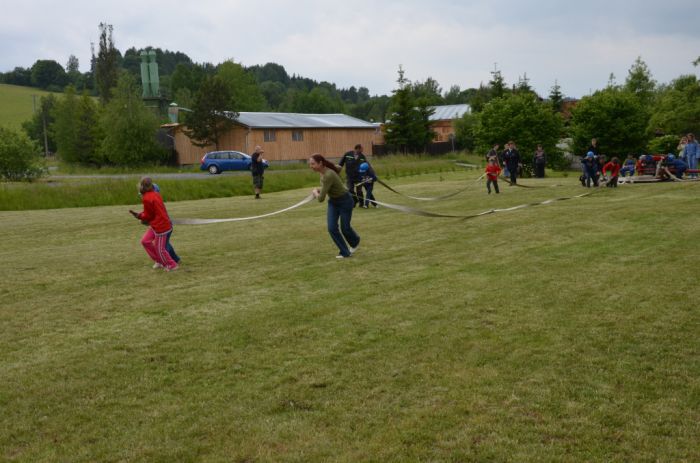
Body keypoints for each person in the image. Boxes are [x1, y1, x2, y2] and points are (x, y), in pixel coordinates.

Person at [309, 154, 360, 259]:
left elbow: (320, 199)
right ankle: (345, 252)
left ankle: (355, 241)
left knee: (345, 228)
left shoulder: (328, 175)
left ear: (320, 163)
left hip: (345, 201)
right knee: (332, 228)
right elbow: (327, 187)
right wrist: (321, 190)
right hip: (333, 202)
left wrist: (315, 192)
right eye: (310, 164)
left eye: (313, 164)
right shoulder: (322, 173)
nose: (311, 166)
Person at [129, 177, 178, 271]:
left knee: (160, 249)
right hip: (158, 224)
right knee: (145, 241)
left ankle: (172, 264)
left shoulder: (147, 198)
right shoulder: (154, 194)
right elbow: (151, 213)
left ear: (142, 187)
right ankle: (159, 261)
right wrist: (142, 216)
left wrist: (139, 216)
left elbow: (148, 215)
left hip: (161, 226)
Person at [153, 183, 180, 266]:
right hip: (162, 226)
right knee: (165, 244)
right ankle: (175, 259)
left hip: (164, 227)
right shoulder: (156, 200)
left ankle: (169, 262)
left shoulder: (156, 201)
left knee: (163, 246)